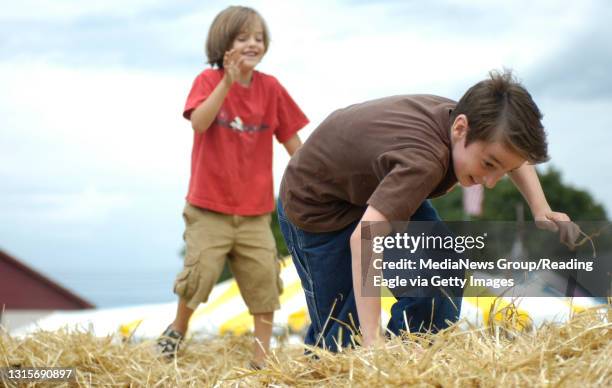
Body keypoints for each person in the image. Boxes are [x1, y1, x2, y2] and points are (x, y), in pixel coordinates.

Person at [277, 70, 578, 352]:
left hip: (372, 186)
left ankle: (409, 357)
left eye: (503, 170)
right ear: (460, 128)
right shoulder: (424, 162)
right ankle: (355, 361)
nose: (490, 182)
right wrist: (372, 341)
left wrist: (540, 208)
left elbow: (513, 156)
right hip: (317, 205)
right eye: (488, 165)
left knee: (441, 268)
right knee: (344, 333)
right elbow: (366, 237)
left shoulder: (475, 123)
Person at [157, 6, 308, 366]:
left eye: (258, 37)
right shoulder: (207, 82)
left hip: (255, 212)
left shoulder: (271, 89)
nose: (252, 44)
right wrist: (227, 81)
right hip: (208, 207)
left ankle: (261, 358)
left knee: (265, 283)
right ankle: (177, 330)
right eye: (243, 38)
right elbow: (199, 123)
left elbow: (293, 143)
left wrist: (313, 175)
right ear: (224, 44)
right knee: (199, 275)